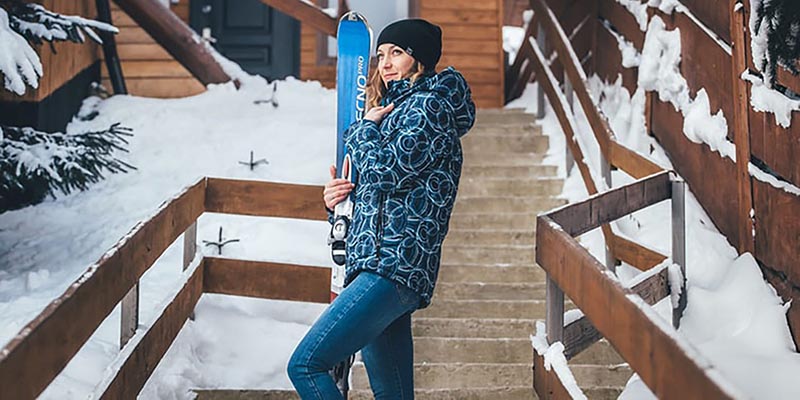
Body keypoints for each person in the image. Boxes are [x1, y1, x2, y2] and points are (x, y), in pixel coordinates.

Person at [288, 18, 475, 399]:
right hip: (378, 264)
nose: (385, 63)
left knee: (306, 365)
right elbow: (379, 191)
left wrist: (362, 131)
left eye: (397, 53)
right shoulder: (394, 111)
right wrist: (338, 202)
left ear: (418, 60)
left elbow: (388, 173)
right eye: (381, 55)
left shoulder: (429, 109)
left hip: (392, 266)